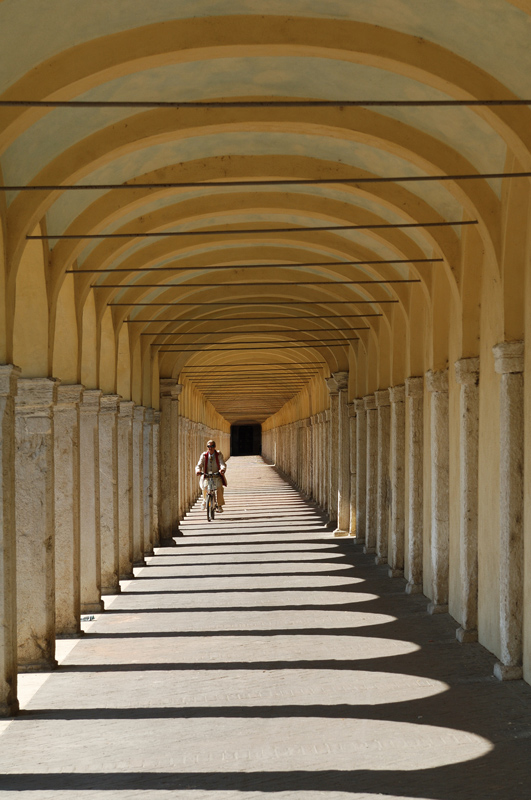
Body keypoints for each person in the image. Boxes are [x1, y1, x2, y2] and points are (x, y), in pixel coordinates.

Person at [196, 440, 227, 512]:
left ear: (215, 447)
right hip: (207, 476)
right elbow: (199, 465)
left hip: (216, 475)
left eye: (212, 446)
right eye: (209, 446)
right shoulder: (204, 455)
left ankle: (219, 505)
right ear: (207, 447)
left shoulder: (218, 454)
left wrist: (222, 469)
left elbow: (222, 463)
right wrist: (198, 470)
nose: (210, 448)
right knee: (205, 487)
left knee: (219, 487)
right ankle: (204, 500)